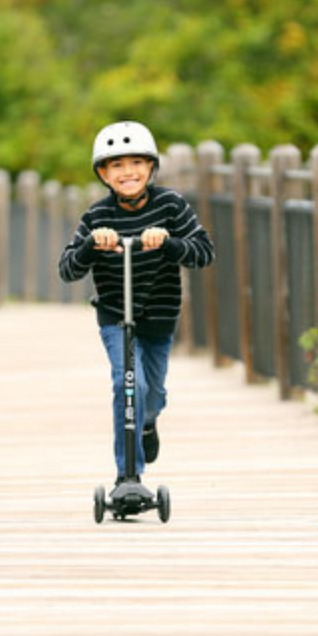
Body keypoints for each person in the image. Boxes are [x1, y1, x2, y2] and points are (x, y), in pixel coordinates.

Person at [58, 121, 215, 488]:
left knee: (152, 395)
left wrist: (169, 243)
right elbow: (67, 270)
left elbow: (204, 252)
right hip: (116, 315)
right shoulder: (96, 217)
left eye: (136, 163)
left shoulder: (171, 205)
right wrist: (90, 245)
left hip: (159, 316)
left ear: (151, 167)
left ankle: (148, 422)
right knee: (127, 385)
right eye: (116, 165)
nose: (127, 172)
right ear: (103, 174)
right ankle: (127, 475)